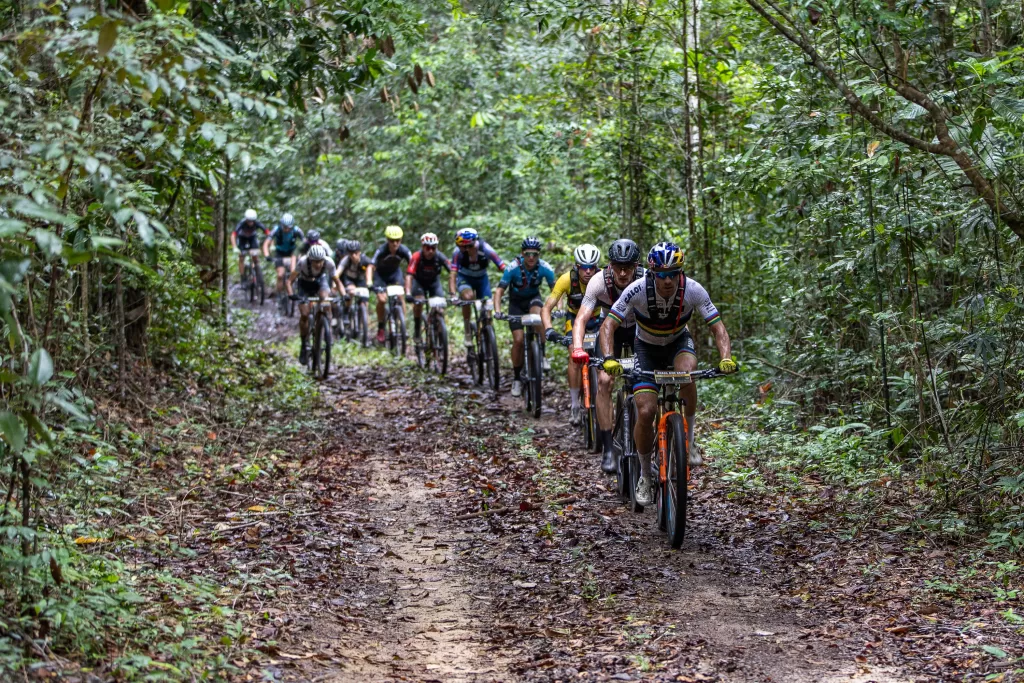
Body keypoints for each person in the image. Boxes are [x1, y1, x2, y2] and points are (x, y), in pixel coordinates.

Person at [596, 242, 737, 506]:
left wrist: (725, 358)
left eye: (674, 273)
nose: (668, 279)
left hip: (677, 343)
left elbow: (718, 328)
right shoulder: (636, 290)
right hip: (645, 348)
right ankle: (645, 476)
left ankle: (690, 442)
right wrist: (608, 358)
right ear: (651, 273)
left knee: (688, 372)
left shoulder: (693, 290)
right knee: (646, 411)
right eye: (662, 274)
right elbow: (608, 326)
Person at [571, 239, 644, 473]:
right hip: (609, 330)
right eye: (617, 266)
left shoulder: (646, 280)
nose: (623, 272)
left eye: (628, 266)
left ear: (637, 266)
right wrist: (577, 347)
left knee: (646, 388)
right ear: (609, 265)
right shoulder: (598, 281)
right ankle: (608, 449)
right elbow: (582, 318)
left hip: (639, 331)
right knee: (604, 381)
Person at [542, 244, 601, 425]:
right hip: (574, 319)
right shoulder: (566, 280)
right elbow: (547, 307)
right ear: (577, 266)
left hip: (598, 319)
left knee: (602, 360)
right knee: (573, 355)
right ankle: (575, 404)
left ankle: (601, 398)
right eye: (584, 267)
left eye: (592, 267)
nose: (588, 271)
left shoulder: (603, 278)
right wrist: (549, 329)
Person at [494, 237, 555, 398]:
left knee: (539, 316)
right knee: (519, 340)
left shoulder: (545, 268)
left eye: (534, 255)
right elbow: (500, 291)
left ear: (539, 255)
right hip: (515, 304)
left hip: (533, 300)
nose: (531, 258)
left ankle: (542, 355)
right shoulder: (512, 268)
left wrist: (559, 308)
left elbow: (555, 290)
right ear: (522, 253)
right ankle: (516, 378)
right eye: (528, 254)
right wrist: (498, 310)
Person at [286, 244, 343, 364]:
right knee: (305, 314)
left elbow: (337, 281)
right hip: (304, 284)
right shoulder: (302, 262)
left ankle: (326, 328)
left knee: (326, 300)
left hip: (320, 282)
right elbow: (289, 281)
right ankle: (304, 342)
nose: (318, 264)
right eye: (315, 262)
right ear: (310, 260)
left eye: (320, 261)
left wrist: (344, 295)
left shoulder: (329, 263)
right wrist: (291, 294)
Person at [449, 228, 506, 346]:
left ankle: (487, 333)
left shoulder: (486, 249)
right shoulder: (457, 253)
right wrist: (453, 295)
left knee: (488, 306)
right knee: (467, 297)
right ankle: (467, 331)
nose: (459, 248)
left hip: (481, 280)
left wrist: (513, 285)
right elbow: (453, 274)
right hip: (465, 278)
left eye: (461, 246)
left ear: (468, 245)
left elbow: (503, 268)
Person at [366, 225, 413, 345]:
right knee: (381, 300)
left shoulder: (404, 250)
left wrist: (413, 280)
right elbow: (370, 267)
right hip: (380, 276)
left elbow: (413, 264)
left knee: (400, 296)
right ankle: (381, 326)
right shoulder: (381, 250)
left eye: (398, 240)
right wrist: (369, 282)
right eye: (392, 241)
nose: (395, 243)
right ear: (387, 240)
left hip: (394, 275)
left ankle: (402, 324)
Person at [406, 233, 452, 343]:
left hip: (434, 283)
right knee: (419, 302)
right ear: (423, 247)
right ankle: (417, 328)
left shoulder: (440, 256)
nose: (430, 251)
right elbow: (409, 275)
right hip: (419, 283)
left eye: (433, 248)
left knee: (439, 309)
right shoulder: (416, 257)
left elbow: (453, 272)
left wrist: (454, 291)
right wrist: (407, 293)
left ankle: (439, 332)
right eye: (428, 248)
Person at [262, 214, 305, 298]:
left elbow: (305, 243)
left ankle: (297, 289)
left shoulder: (297, 230)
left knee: (296, 272)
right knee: (280, 275)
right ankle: (280, 296)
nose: (287, 229)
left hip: (292, 252)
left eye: (289, 227)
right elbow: (266, 243)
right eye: (285, 227)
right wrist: (267, 255)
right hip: (280, 253)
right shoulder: (276, 230)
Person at [231, 209, 268, 283]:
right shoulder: (242, 223)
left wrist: (270, 242)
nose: (250, 223)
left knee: (255, 255)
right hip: (242, 239)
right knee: (241, 257)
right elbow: (233, 235)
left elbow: (267, 232)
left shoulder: (257, 223)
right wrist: (234, 246)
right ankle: (242, 276)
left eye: (252, 221)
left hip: (252, 238)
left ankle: (256, 270)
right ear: (246, 220)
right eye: (248, 221)